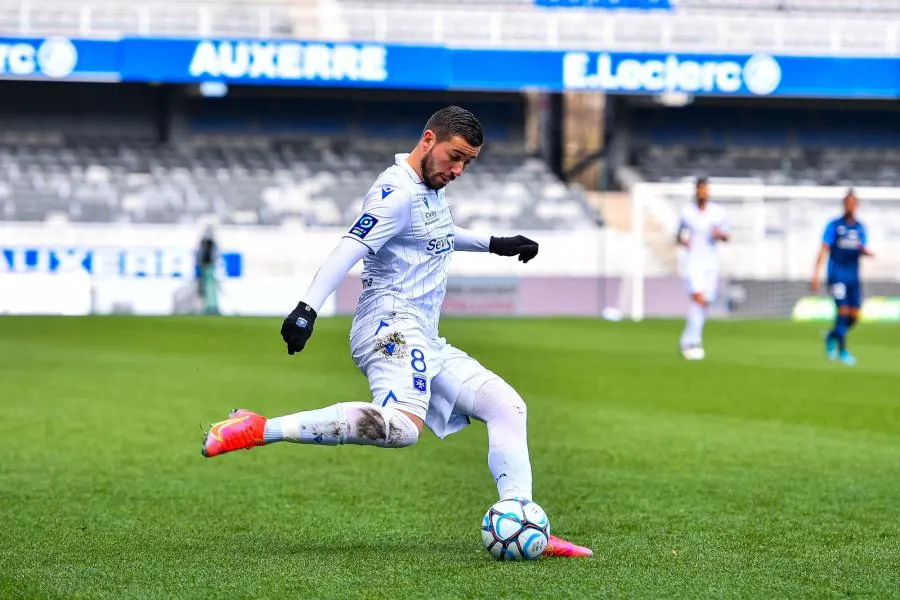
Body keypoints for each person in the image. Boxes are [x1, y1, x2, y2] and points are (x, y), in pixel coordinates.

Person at [200, 106, 592, 558]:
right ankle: (257, 428)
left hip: (422, 332)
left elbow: (437, 232)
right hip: (388, 323)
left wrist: (493, 244)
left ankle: (523, 522)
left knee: (506, 406)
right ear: (428, 139)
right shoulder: (394, 192)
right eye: (455, 156)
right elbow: (350, 245)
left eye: (468, 162)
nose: (459, 170)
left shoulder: (430, 187)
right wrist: (307, 309)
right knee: (404, 428)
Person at [811, 189, 874, 365]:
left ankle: (831, 336)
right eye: (848, 203)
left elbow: (862, 246)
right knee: (842, 312)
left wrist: (865, 252)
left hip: (853, 277)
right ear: (844, 205)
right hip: (837, 275)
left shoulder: (860, 227)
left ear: (857, 205)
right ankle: (843, 351)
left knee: (854, 316)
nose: (851, 206)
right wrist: (816, 273)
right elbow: (824, 248)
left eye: (854, 203)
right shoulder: (834, 225)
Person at [675, 177, 729, 360]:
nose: (703, 192)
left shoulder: (717, 213)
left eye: (706, 189)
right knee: (698, 299)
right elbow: (678, 235)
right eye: (700, 189)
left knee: (704, 302)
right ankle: (694, 342)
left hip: (710, 263)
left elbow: (726, 236)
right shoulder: (687, 213)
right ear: (696, 191)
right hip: (692, 262)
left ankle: (686, 340)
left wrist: (719, 234)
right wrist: (684, 241)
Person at [196, 227, 219, 315]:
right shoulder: (204, 244)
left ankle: (211, 306)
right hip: (205, 267)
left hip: (210, 267)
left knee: (210, 288)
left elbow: (215, 255)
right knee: (204, 289)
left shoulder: (211, 244)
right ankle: (206, 306)